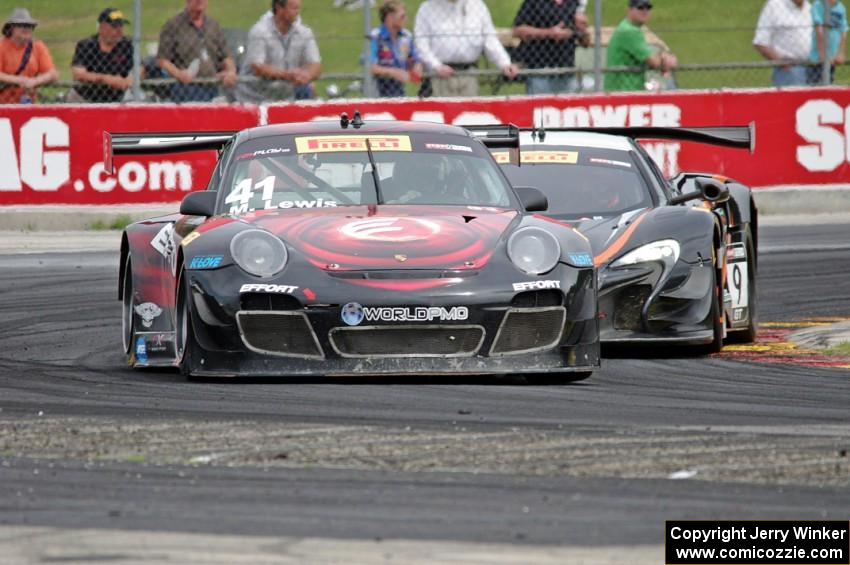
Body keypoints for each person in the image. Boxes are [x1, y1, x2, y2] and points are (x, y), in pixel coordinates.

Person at [414, 0, 519, 97]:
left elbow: (490, 40)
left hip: (469, 74)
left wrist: (505, 63)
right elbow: (421, 44)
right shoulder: (426, 9)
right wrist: (436, 66)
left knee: (470, 113)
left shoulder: (477, 6)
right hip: (440, 76)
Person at [236, 0, 321, 103]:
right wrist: (287, 75)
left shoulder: (304, 33)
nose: (297, 12)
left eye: (298, 8)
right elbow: (257, 67)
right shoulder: (260, 32)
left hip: (285, 99)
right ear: (279, 8)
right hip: (253, 100)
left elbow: (315, 64)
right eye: (294, 8)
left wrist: (307, 75)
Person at [157, 0, 237, 102]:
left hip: (212, 86)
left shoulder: (214, 25)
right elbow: (162, 60)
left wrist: (231, 71)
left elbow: (226, 56)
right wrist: (179, 74)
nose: (199, 1)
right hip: (185, 89)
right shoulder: (173, 25)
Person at [512, 0, 590, 94]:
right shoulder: (534, 2)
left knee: (568, 107)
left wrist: (582, 29)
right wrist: (549, 33)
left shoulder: (573, 3)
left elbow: (585, 43)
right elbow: (517, 30)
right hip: (539, 73)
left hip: (566, 72)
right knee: (539, 108)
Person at [604, 0, 676, 92]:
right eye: (640, 7)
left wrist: (662, 59)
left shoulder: (628, 27)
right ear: (629, 10)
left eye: (648, 8)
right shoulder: (630, 31)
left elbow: (648, 60)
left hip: (622, 90)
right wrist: (664, 58)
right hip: (624, 91)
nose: (645, 11)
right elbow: (653, 62)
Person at [70, 8, 136, 103]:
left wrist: (131, 79)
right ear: (102, 27)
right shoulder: (87, 45)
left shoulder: (126, 45)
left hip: (116, 100)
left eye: (121, 26)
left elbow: (138, 68)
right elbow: (78, 74)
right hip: (84, 99)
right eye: (114, 26)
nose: (119, 30)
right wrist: (107, 79)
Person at [0, 8, 56, 104]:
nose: (26, 28)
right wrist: (18, 80)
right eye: (22, 25)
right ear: (11, 28)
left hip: (28, 104)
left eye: (29, 26)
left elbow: (52, 74)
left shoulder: (38, 46)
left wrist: (35, 81)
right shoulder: (1, 46)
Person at [753, 0, 813, 87]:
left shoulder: (809, 7)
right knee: (791, 100)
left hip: (814, 69)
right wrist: (783, 64)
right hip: (790, 71)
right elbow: (760, 42)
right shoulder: (774, 5)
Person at [370, 0, 422, 97]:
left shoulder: (406, 36)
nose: (406, 19)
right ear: (390, 17)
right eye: (402, 16)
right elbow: (370, 67)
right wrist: (394, 73)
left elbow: (414, 59)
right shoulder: (375, 37)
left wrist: (417, 67)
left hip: (399, 93)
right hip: (377, 93)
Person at [808, 0, 848, 84]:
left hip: (832, 59)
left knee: (828, 86)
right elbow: (819, 30)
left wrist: (840, 53)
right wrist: (823, 54)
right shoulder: (818, 5)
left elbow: (843, 31)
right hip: (818, 59)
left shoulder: (840, 7)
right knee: (815, 88)